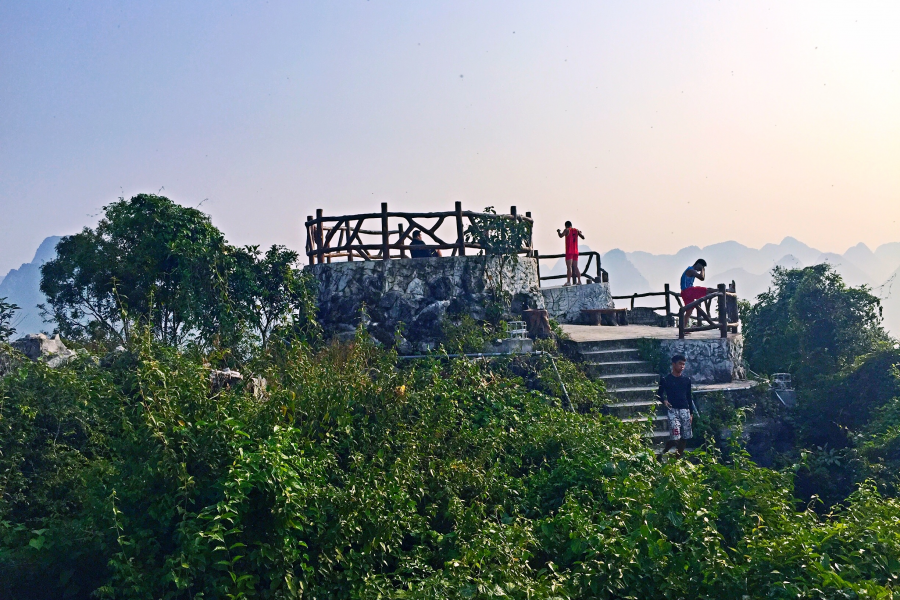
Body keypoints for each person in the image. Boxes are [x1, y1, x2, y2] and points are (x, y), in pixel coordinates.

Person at [657, 354, 697, 459]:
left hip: (685, 410)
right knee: (675, 438)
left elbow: (689, 397)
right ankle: (664, 451)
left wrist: (691, 413)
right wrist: (664, 401)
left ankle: (677, 459)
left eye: (684, 364)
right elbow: (659, 394)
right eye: (680, 363)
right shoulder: (666, 379)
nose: (682, 366)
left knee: (685, 437)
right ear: (673, 364)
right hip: (672, 410)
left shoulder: (686, 380)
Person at [680, 259, 715, 326]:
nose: (700, 269)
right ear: (698, 264)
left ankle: (683, 328)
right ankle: (724, 290)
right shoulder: (691, 270)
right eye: (701, 267)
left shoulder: (690, 270)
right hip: (688, 291)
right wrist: (703, 270)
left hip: (684, 292)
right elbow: (702, 278)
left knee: (688, 311)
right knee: (707, 290)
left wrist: (702, 268)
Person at [556, 221, 585, 285]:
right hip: (575, 251)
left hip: (569, 251)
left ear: (566, 225)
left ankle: (569, 281)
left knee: (569, 267)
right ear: (571, 225)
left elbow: (561, 236)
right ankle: (579, 281)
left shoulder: (566, 230)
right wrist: (579, 233)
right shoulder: (576, 230)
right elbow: (583, 237)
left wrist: (558, 231)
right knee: (576, 266)